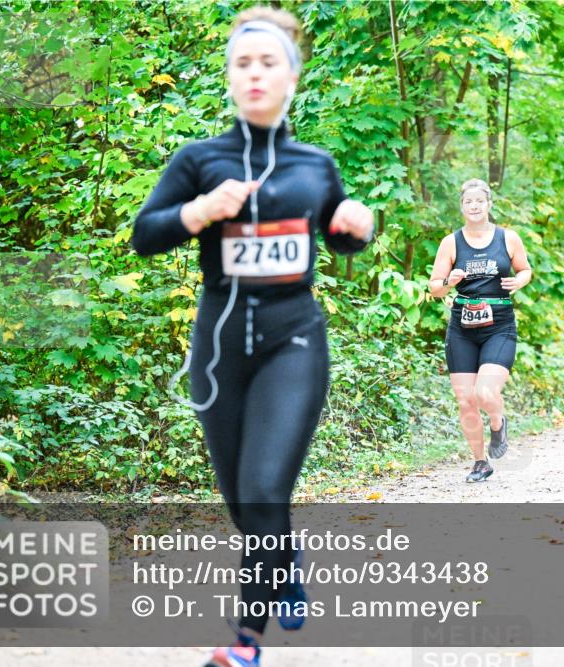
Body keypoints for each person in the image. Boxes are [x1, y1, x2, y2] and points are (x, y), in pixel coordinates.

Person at [132, 8, 374, 667]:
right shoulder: (198, 160)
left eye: (269, 62)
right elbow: (144, 235)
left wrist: (359, 223)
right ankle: (286, 558)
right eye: (243, 64)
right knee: (244, 500)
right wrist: (200, 210)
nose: (256, 74)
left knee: (266, 488)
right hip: (218, 350)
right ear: (230, 79)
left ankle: (245, 640)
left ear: (292, 77)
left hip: (293, 341)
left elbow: (340, 235)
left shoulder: (315, 165)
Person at [428, 178, 532, 483]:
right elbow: (434, 288)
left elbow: (525, 269)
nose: (474, 206)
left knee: (485, 393)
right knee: (465, 400)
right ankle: (480, 462)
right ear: (462, 207)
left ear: (488, 204)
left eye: (479, 201)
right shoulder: (451, 242)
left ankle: (498, 424)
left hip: (498, 324)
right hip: (462, 326)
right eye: (468, 202)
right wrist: (450, 282)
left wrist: (520, 281)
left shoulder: (507, 238)